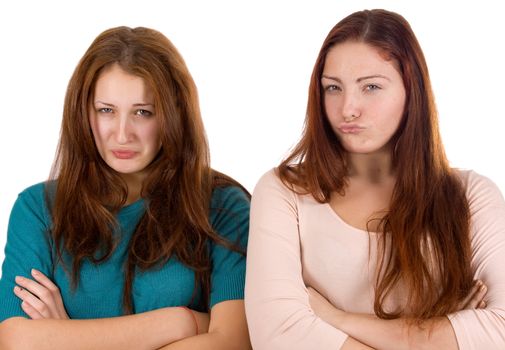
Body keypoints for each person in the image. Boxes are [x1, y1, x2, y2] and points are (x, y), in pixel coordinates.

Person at [245, 9, 505, 350]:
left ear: (412, 91)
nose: (348, 108)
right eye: (333, 88)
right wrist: (443, 334)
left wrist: (334, 319)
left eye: (371, 87)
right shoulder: (283, 192)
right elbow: (278, 335)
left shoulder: (472, 195)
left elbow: (500, 330)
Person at [0, 26, 251, 350]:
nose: (122, 134)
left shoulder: (222, 207)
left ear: (174, 114)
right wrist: (180, 322)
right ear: (84, 112)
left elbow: (233, 344)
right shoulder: (38, 208)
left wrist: (69, 339)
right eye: (106, 110)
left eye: (143, 113)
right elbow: (16, 341)